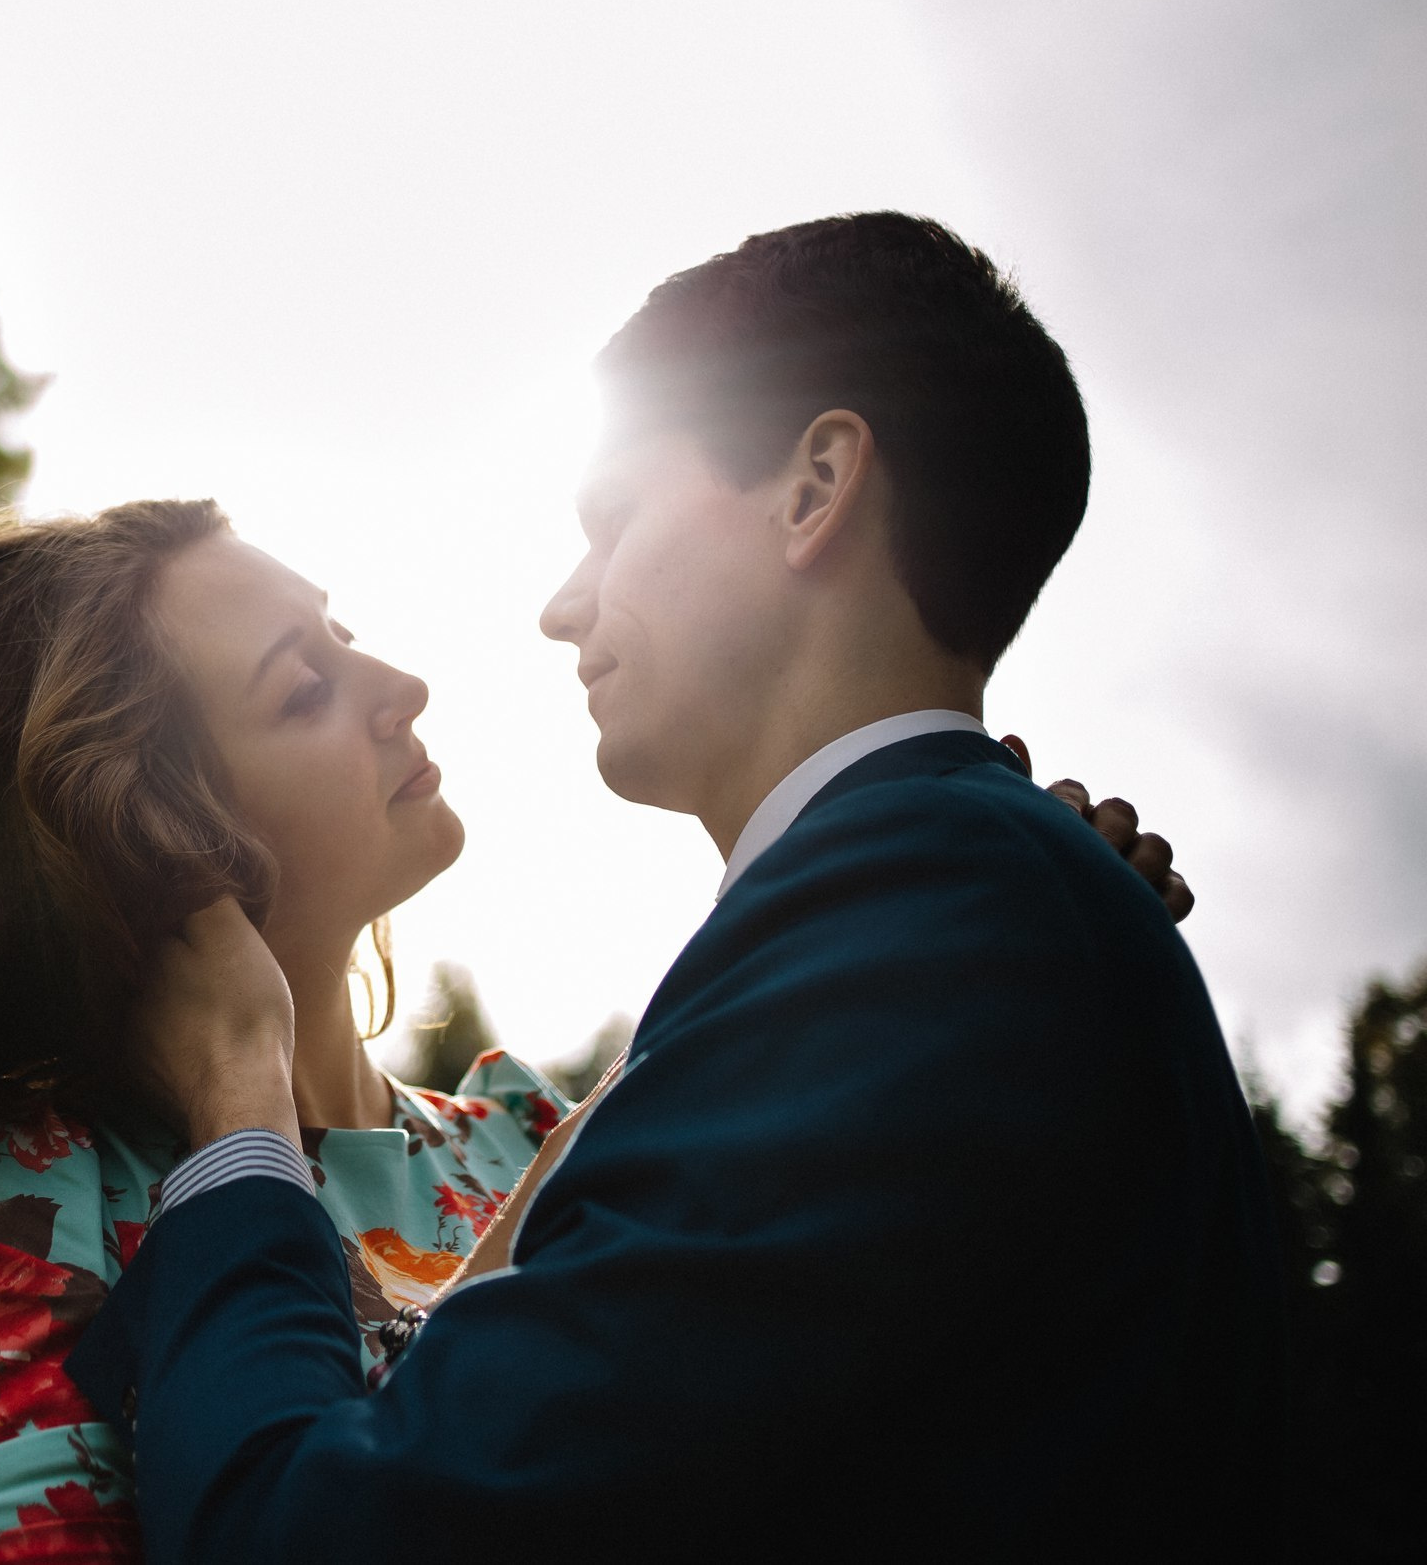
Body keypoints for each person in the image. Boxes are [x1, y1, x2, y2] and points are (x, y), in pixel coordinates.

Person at [0, 473, 1191, 1562]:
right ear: (155, 834)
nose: (404, 686)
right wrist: (237, 1098)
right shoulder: (38, 1203)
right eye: (304, 690)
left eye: (348, 634)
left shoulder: (533, 1133)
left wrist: (969, 962)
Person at [63, 213, 1282, 1561]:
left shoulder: (922, 930)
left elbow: (316, 1536)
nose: (563, 605)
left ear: (815, 489)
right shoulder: (955, 907)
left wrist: (239, 1107)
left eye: (613, 519)